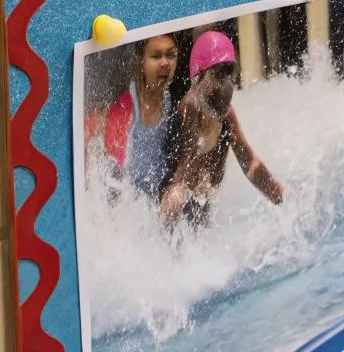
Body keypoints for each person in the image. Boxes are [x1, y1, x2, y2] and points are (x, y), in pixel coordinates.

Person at [159, 30, 283, 226]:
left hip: (199, 203)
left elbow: (249, 163)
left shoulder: (226, 114)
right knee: (183, 193)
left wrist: (276, 192)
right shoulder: (190, 107)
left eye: (227, 73)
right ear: (198, 79)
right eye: (218, 73)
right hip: (174, 201)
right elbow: (181, 179)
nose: (223, 83)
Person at [85, 32, 180, 200]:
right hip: (128, 201)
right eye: (156, 56)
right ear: (141, 61)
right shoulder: (125, 105)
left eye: (170, 55)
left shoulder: (172, 101)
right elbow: (113, 170)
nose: (165, 62)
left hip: (155, 197)